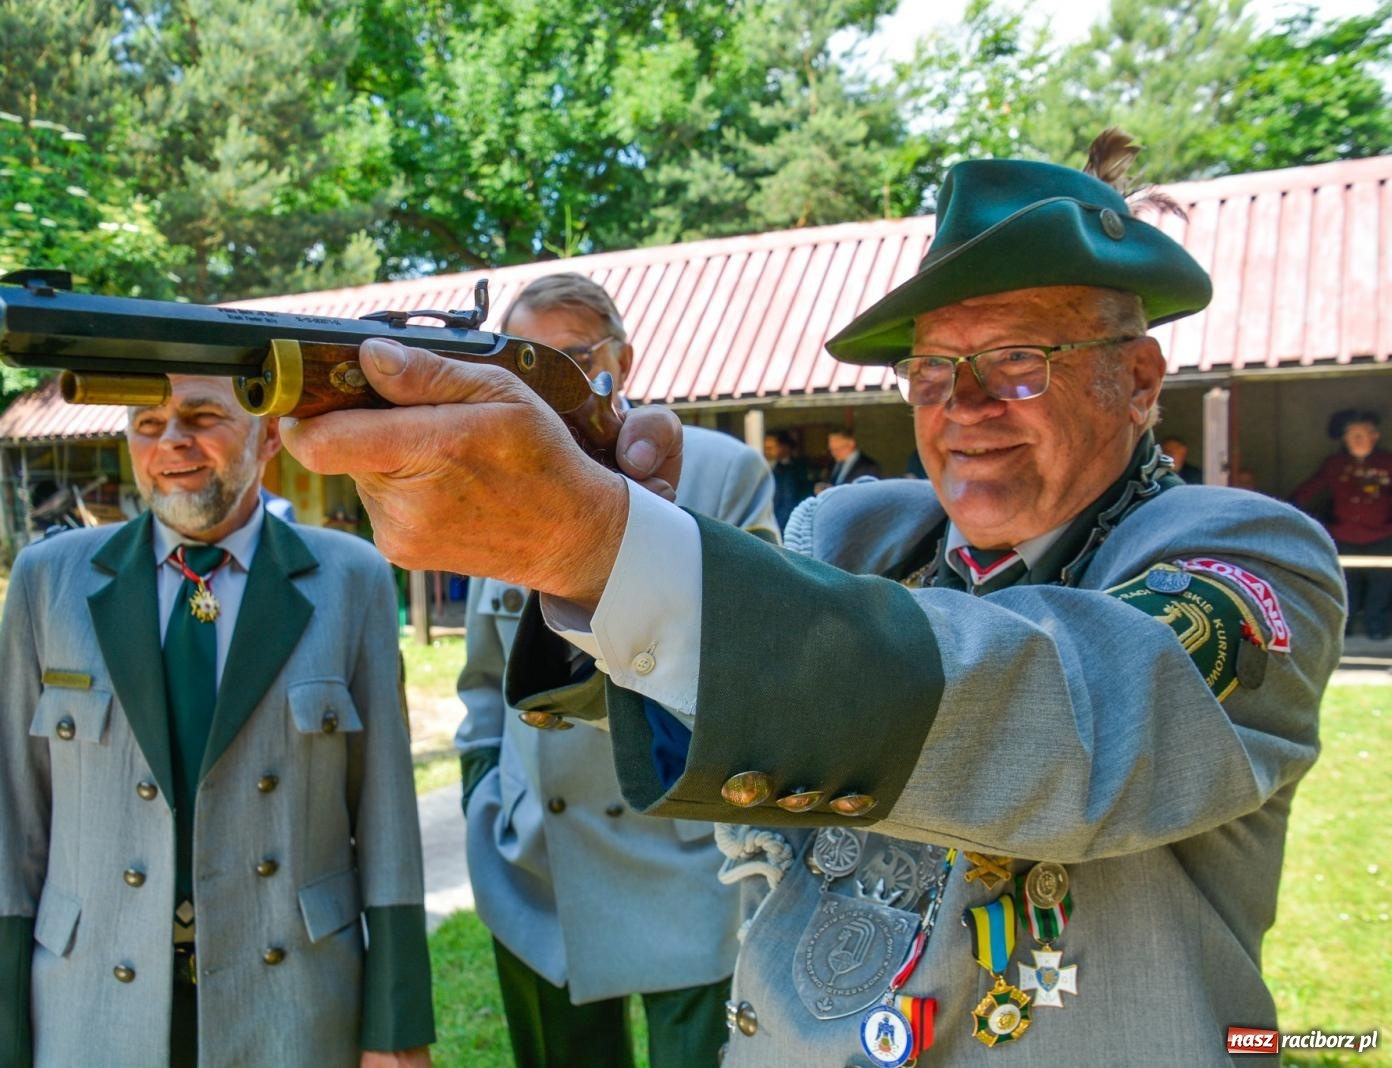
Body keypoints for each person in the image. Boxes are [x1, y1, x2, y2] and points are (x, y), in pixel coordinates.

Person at [278, 131, 1344, 1065]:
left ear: (1140, 381)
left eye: (1018, 362)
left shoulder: (1249, 557)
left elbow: (1072, 707)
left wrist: (603, 544)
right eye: (932, 372)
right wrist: (604, 541)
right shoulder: (855, 532)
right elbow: (686, 691)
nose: (964, 407)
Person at [0, 374, 434, 1067]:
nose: (172, 441)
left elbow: (386, 816)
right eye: (148, 424)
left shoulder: (351, 579)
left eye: (202, 417)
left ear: (268, 434)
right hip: (93, 1005)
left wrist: (395, 1028)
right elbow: (6, 819)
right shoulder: (48, 581)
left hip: (294, 1003)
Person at [455, 273, 778, 1068]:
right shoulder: (489, 485)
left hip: (688, 863)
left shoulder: (720, 471)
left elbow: (757, 660)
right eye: (521, 359)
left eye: (568, 356)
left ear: (621, 361)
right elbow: (483, 680)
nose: (542, 381)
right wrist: (485, 798)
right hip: (538, 867)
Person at [1290, 409, 1392, 639]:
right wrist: (1286, 510)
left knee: (1382, 584)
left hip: (1383, 535)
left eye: (1361, 435)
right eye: (1351, 436)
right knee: (1345, 585)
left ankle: (1377, 629)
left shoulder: (1388, 462)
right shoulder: (1335, 464)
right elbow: (1308, 490)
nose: (1356, 440)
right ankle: (1343, 631)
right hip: (1344, 534)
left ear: (1374, 436)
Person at [767, 430, 812, 531]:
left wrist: (775, 527)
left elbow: (788, 502)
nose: (767, 451)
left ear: (784, 447)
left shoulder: (795, 468)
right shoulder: (769, 466)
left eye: (770, 448)